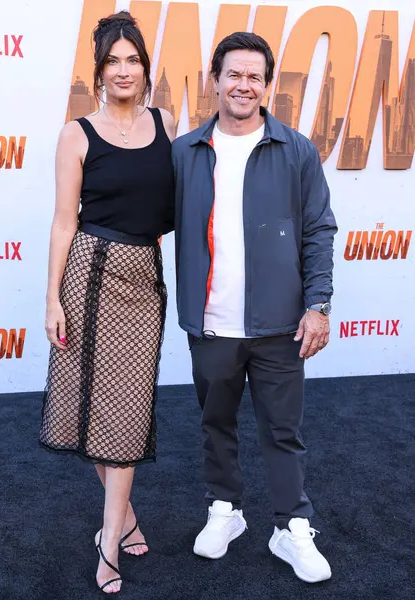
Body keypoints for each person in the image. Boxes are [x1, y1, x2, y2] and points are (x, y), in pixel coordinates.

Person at [172, 32, 337, 583]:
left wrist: (318, 304)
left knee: (283, 431)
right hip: (211, 324)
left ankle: (291, 526)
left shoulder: (297, 150)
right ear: (213, 80)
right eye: (233, 74)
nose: (243, 85)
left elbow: (318, 230)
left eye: (254, 77)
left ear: (266, 85)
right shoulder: (185, 151)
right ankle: (226, 511)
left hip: (280, 326)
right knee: (215, 423)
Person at [39, 11, 175, 594]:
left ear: (146, 68)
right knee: (92, 411)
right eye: (112, 61)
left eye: (133, 60)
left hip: (144, 280)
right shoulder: (77, 133)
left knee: (124, 413)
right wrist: (52, 299)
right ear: (99, 72)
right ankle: (113, 534)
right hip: (88, 277)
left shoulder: (168, 122)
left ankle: (117, 523)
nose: (124, 71)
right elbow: (64, 222)